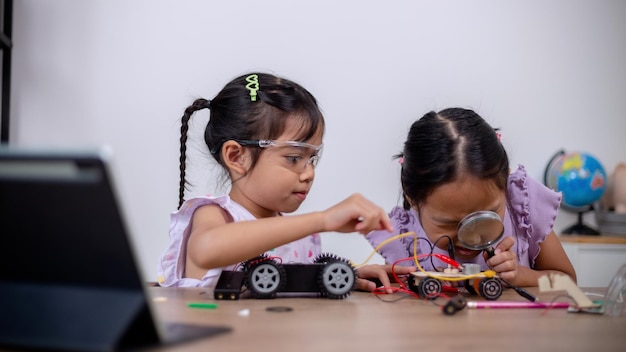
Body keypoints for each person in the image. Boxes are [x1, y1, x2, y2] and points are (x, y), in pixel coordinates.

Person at [157, 72, 413, 292]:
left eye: (312, 158)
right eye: (293, 158)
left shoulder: (294, 230)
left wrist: (345, 275)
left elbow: (290, 286)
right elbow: (206, 249)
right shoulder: (214, 215)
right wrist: (322, 220)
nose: (309, 173)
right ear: (236, 156)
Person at [366, 108, 576, 287]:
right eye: (448, 223)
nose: (471, 237)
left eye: (487, 215)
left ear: (505, 186)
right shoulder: (403, 238)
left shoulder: (522, 206)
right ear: (412, 198)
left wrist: (521, 275)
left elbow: (567, 282)